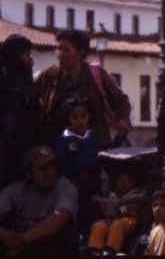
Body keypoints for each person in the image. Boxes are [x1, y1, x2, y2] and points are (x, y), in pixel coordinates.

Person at [34, 29, 132, 146]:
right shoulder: (49, 75)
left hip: (91, 147)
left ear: (80, 53)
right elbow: (30, 95)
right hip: (57, 150)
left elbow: (121, 100)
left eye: (66, 49)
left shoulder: (96, 75)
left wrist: (122, 119)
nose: (60, 54)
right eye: (58, 49)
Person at [52, 96, 121, 241]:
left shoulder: (93, 138)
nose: (79, 121)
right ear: (67, 118)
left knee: (95, 222)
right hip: (73, 188)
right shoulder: (62, 141)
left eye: (83, 116)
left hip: (95, 187)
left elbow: (107, 153)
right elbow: (59, 164)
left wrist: (120, 137)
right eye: (74, 117)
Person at [0, 145, 78, 257]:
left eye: (51, 167)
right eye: (42, 168)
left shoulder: (65, 188)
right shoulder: (14, 191)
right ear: (28, 173)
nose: (49, 173)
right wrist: (4, 235)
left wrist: (24, 239)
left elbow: (61, 216)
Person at [0, 34, 39, 188]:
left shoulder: (24, 73)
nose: (29, 59)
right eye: (26, 54)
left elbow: (31, 102)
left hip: (21, 142)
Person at [86, 166, 148, 256]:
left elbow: (129, 210)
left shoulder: (137, 193)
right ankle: (95, 250)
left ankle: (111, 250)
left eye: (128, 180)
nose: (124, 184)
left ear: (135, 182)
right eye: (121, 180)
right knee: (98, 225)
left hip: (130, 220)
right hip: (111, 219)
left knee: (118, 224)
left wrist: (120, 205)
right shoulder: (112, 193)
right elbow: (107, 207)